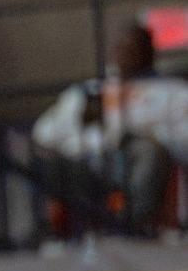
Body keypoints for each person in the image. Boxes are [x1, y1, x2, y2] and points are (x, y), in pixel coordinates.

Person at [33, 22, 186, 228]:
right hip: (93, 161)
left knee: (149, 153)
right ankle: (66, 227)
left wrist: (145, 133)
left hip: (141, 158)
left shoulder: (171, 92)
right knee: (55, 162)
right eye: (120, 48)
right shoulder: (93, 91)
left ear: (148, 53)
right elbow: (46, 133)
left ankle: (132, 224)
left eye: (133, 48)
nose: (125, 55)